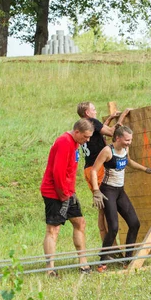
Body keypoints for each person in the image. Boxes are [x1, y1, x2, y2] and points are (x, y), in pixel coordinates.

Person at [90, 125, 151, 271]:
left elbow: (128, 161)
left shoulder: (125, 149)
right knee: (114, 227)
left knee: (134, 223)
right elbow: (93, 170)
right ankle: (102, 261)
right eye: (127, 140)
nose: (129, 142)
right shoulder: (107, 151)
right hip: (107, 191)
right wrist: (96, 191)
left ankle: (128, 259)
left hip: (120, 191)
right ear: (118, 138)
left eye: (130, 140)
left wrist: (146, 169)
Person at [40, 118, 94, 276]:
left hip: (68, 192)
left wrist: (70, 193)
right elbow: (58, 172)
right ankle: (49, 269)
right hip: (54, 192)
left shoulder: (76, 143)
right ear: (76, 132)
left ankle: (83, 263)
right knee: (53, 229)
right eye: (85, 136)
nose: (87, 140)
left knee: (80, 223)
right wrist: (63, 195)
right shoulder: (64, 142)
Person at [78, 102, 130, 242]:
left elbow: (99, 135)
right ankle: (111, 248)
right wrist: (123, 115)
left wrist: (109, 119)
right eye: (93, 109)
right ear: (87, 113)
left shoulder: (84, 126)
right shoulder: (92, 122)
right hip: (98, 168)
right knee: (107, 210)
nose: (95, 111)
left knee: (102, 210)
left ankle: (107, 244)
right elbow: (114, 133)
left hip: (87, 169)